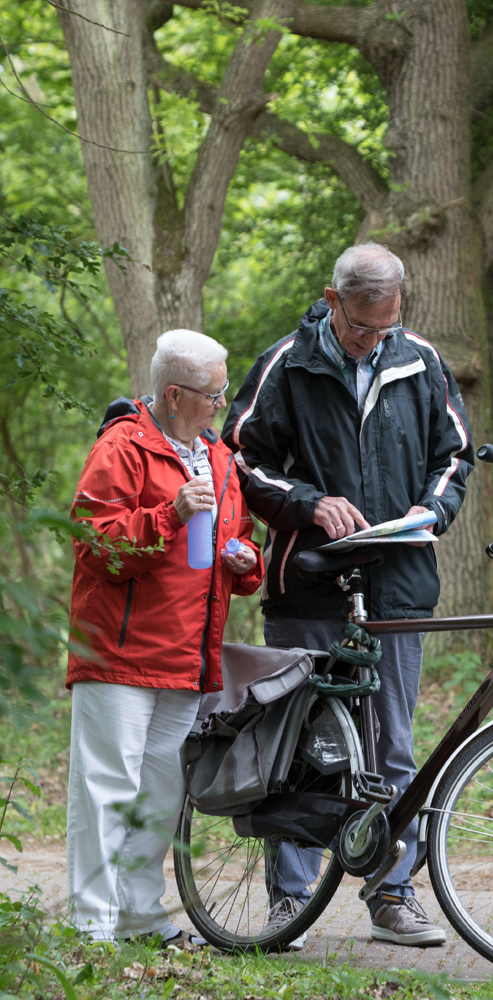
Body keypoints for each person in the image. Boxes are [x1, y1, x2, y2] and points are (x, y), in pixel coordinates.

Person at [223, 243, 473, 948]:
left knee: (391, 744)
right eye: (362, 328)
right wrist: (307, 504)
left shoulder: (420, 361)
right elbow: (240, 457)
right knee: (299, 743)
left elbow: (453, 456)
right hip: (310, 582)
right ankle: (289, 902)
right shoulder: (287, 365)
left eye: (386, 327)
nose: (373, 341)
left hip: (397, 585)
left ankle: (392, 893)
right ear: (332, 302)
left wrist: (432, 511)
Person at [66, 329, 263, 945]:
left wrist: (245, 559)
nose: (222, 403)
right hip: (119, 656)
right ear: (174, 395)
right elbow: (96, 547)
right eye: (213, 393)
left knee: (162, 792)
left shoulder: (221, 457)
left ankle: (142, 917)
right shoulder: (121, 447)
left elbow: (244, 536)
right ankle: (91, 927)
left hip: (187, 658)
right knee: (107, 789)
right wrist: (170, 514)